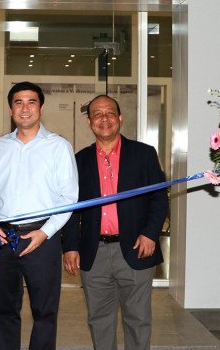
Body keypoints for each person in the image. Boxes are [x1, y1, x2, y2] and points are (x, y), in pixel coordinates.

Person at [62, 94, 168, 350]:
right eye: (97, 114)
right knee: (99, 320)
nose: (104, 119)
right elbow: (71, 208)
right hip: (93, 252)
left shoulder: (144, 154)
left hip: (135, 247)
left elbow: (159, 198)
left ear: (120, 118)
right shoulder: (79, 161)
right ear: (89, 122)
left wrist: (150, 234)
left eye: (110, 112)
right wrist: (71, 246)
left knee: (138, 319)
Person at [0, 81, 78, 350]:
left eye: (31, 102)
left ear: (41, 108)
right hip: (4, 236)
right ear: (10, 110)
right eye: (18, 102)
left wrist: (45, 232)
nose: (25, 108)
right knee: (3, 308)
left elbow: (68, 199)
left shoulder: (58, 147)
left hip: (43, 237)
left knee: (45, 311)